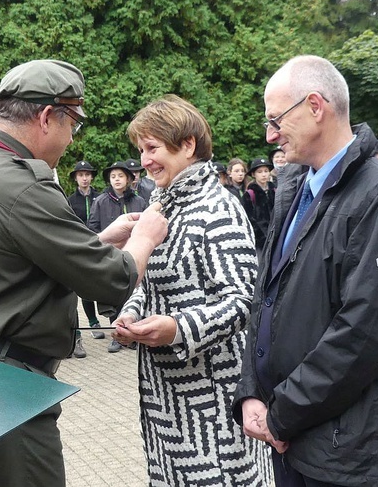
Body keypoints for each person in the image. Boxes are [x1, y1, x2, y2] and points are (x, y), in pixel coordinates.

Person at [0, 59, 168, 487]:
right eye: (72, 123)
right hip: (8, 389)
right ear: (45, 117)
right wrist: (144, 236)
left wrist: (99, 239)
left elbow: (16, 261)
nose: (72, 139)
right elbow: (112, 280)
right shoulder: (21, 184)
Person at [233, 55, 378, 487]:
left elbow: (363, 333)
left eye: (276, 119)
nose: (270, 134)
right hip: (292, 438)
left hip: (347, 453)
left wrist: (280, 414)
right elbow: (265, 297)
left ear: (316, 106)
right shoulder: (294, 189)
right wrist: (251, 392)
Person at [113, 94, 271, 486]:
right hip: (164, 395)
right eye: (140, 150)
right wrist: (132, 311)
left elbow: (242, 302)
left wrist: (178, 328)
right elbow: (149, 281)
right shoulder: (160, 204)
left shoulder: (219, 207)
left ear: (187, 145)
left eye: (152, 148)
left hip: (212, 399)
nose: (144, 161)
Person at [88, 160, 148, 352]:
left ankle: (134, 334)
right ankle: (118, 335)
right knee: (115, 295)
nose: (116, 180)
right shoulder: (101, 201)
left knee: (135, 292)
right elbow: (93, 227)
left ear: (129, 178)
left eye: (120, 176)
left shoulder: (138, 200)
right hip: (112, 254)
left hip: (136, 253)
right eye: (113, 176)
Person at [67, 160, 106, 353]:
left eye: (87, 174)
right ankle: (92, 321)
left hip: (99, 244)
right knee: (83, 286)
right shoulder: (70, 200)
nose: (84, 178)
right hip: (78, 247)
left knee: (99, 283)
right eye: (80, 174)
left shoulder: (100, 198)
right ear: (75, 178)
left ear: (91, 177)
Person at [242, 157, 276, 256]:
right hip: (259, 241)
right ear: (253, 174)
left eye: (266, 171)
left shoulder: (275, 191)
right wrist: (261, 237)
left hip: (275, 237)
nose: (264, 174)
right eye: (260, 172)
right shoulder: (249, 194)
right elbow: (248, 219)